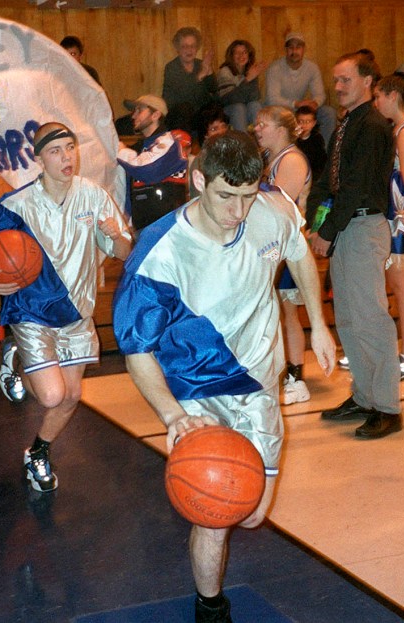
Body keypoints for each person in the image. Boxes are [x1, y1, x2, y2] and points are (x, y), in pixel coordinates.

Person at [113, 130, 335, 623]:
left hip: (258, 386)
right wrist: (171, 416)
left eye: (248, 195)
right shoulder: (160, 253)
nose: (239, 211)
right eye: (226, 197)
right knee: (215, 512)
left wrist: (319, 324)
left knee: (253, 512)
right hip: (196, 393)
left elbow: (298, 254)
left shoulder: (270, 211)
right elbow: (137, 352)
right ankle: (210, 607)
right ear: (197, 181)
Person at [0, 122, 132, 493]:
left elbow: (123, 252)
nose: (66, 156)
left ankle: (38, 451)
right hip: (32, 310)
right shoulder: (19, 204)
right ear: (39, 159)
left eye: (70, 147)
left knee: (70, 397)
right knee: (52, 394)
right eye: (56, 151)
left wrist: (116, 237)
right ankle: (18, 353)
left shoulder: (94, 196)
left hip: (76, 311)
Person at [308, 53, 403, 439]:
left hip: (362, 225)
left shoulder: (374, 126)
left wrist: (326, 230)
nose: (339, 86)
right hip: (346, 224)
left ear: (368, 82)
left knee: (371, 318)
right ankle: (364, 395)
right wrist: (316, 221)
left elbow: (355, 186)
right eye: (336, 80)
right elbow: (327, 180)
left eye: (346, 79)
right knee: (347, 317)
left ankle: (388, 407)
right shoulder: (347, 125)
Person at [253, 106, 314, 405]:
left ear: (281, 129)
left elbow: (280, 207)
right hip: (270, 245)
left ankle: (296, 377)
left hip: (286, 246)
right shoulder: (270, 158)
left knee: (289, 311)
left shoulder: (291, 159)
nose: (257, 129)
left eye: (263, 124)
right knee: (275, 310)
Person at [372, 74, 404, 381]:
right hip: (398, 219)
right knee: (399, 287)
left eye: (379, 96)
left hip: (401, 221)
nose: (377, 103)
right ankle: (403, 353)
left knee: (403, 288)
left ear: (393, 96)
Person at [117, 94, 191, 231]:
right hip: (143, 229)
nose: (133, 116)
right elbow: (129, 191)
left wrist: (121, 150)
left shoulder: (172, 142)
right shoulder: (138, 150)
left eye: (139, 110)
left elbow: (148, 170)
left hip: (168, 230)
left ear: (156, 115)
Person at [264, 32, 337, 141]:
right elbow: (272, 99)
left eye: (298, 47)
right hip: (280, 110)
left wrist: (315, 104)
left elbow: (320, 94)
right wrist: (296, 103)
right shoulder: (275, 68)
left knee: (329, 113)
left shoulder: (312, 68)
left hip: (300, 110)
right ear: (286, 50)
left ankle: (326, 154)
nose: (294, 51)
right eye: (291, 47)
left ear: (303, 49)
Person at [162, 27, 218, 133]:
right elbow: (181, 97)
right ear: (178, 49)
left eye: (193, 46)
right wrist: (199, 77)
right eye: (185, 46)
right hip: (179, 115)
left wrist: (209, 71)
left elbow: (214, 91)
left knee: (212, 109)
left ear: (197, 48)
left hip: (199, 114)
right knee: (185, 109)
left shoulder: (201, 64)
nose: (189, 50)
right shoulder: (172, 67)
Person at [216, 39, 265, 131]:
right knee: (239, 107)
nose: (241, 56)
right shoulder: (225, 71)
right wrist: (248, 80)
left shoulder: (250, 70)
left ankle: (263, 139)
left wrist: (251, 78)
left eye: (244, 52)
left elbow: (254, 97)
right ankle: (243, 142)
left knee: (255, 105)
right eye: (237, 53)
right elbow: (228, 99)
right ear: (232, 56)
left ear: (249, 55)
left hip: (245, 109)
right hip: (228, 110)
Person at [294, 105, 327, 181]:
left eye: (308, 121)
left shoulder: (317, 139)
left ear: (314, 123)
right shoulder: (293, 139)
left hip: (312, 174)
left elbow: (321, 161)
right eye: (301, 121)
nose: (304, 125)